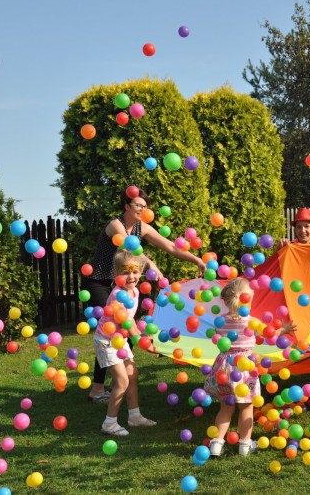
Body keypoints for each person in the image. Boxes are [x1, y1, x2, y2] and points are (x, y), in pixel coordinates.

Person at [84, 187, 207, 402]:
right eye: (138, 205)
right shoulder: (115, 225)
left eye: (145, 206)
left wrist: (196, 260)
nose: (142, 209)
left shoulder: (142, 227)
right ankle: (98, 388)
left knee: (124, 330)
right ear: (127, 206)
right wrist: (150, 264)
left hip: (121, 285)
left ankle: (120, 382)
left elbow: (170, 246)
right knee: (111, 328)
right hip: (99, 281)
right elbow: (130, 248)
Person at [204, 278, 285, 457]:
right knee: (247, 407)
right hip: (245, 368)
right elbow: (269, 334)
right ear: (247, 299)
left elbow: (219, 336)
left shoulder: (220, 321)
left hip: (224, 368)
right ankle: (245, 445)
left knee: (226, 408)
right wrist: (283, 330)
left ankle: (216, 444)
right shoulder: (251, 322)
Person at [96, 250, 156, 436]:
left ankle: (135, 417)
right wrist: (145, 344)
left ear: (141, 272)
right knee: (121, 381)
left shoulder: (134, 292)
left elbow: (131, 321)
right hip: (106, 340)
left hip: (119, 339)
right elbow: (125, 324)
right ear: (115, 274)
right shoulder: (117, 295)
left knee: (132, 375)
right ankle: (109, 423)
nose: (131, 277)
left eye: (135, 272)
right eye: (125, 272)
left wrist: (143, 337)